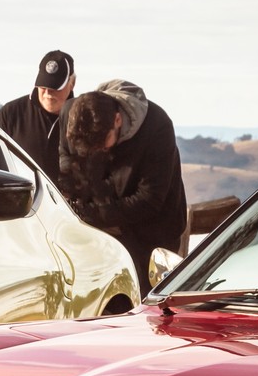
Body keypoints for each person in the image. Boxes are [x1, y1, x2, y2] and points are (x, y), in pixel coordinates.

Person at [57, 80, 188, 285]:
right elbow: (66, 156)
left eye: (101, 146)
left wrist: (93, 213)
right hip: (95, 231)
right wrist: (72, 193)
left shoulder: (157, 127)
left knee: (141, 298)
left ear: (117, 120)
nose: (96, 153)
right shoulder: (71, 114)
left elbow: (149, 199)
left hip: (150, 236)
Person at [0, 49, 75, 175]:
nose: (48, 93)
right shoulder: (11, 113)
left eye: (55, 87)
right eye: (43, 86)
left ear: (72, 83)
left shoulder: (83, 118)